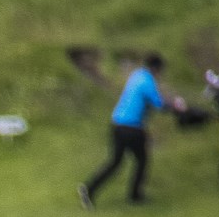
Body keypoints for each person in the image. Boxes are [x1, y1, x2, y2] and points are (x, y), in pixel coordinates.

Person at [79, 52, 185, 208]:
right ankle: (135, 195)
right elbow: (158, 104)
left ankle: (88, 189)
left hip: (117, 123)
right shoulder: (147, 81)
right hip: (132, 127)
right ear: (156, 69)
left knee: (115, 162)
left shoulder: (137, 75)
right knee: (142, 160)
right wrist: (176, 106)